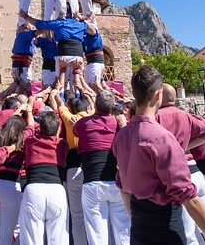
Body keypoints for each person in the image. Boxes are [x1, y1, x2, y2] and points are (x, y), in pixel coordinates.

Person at [114, 66, 205, 245]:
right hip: (165, 226)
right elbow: (189, 199)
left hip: (138, 228)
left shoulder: (121, 137)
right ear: (158, 95)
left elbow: (122, 185)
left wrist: (135, 217)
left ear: (133, 92)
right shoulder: (162, 138)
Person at [156, 83, 205, 245]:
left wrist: (177, 149)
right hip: (196, 172)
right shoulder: (185, 114)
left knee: (188, 233)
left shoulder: (157, 117)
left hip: (180, 175)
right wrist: (185, 146)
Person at [73, 90, 130, 245]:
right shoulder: (116, 123)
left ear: (95, 104)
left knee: (97, 236)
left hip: (92, 183)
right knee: (123, 230)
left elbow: (75, 131)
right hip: (116, 182)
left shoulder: (83, 123)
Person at [19, 108, 69, 245]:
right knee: (58, 238)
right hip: (57, 190)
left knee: (31, 238)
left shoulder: (30, 142)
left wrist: (29, 112)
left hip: (34, 189)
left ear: (39, 128)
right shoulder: (63, 144)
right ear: (57, 129)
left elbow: (29, 128)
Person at [20, 9, 97, 93]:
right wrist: (86, 19)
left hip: (64, 56)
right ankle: (77, 100)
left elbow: (40, 24)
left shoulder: (59, 23)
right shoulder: (81, 24)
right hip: (78, 57)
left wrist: (26, 17)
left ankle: (60, 101)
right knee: (75, 85)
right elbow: (93, 31)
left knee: (60, 85)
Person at [50, 91, 89, 245]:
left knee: (77, 213)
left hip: (74, 167)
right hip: (90, 167)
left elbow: (60, 106)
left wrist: (56, 93)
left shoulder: (70, 119)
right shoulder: (91, 116)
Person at [0, 106, 32, 245]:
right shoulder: (21, 139)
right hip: (10, 186)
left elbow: (4, 125)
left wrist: (18, 110)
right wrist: (29, 110)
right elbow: (31, 128)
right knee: (6, 234)